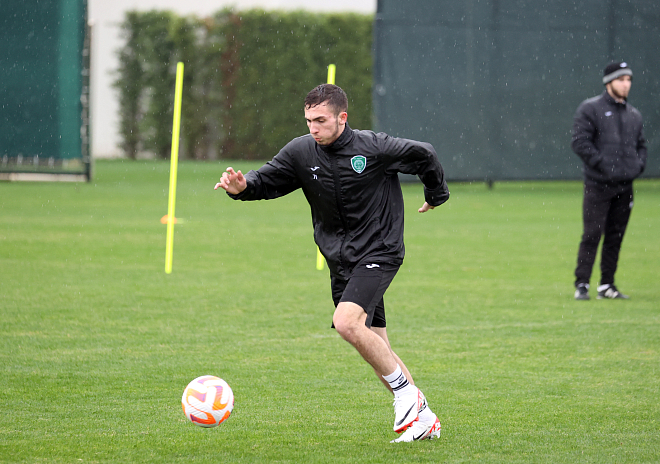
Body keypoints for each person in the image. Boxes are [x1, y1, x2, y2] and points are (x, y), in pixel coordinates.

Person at [214, 84, 449, 442]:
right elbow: (267, 179)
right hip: (341, 262)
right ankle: (424, 418)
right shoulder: (301, 151)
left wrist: (435, 193)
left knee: (346, 323)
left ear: (342, 117)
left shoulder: (373, 147)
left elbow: (424, 154)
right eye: (309, 120)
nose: (314, 128)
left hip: (380, 251)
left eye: (321, 120)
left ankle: (407, 396)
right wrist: (242, 187)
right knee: (376, 347)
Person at [571, 62, 647, 300]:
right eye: (621, 79)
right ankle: (582, 284)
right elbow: (580, 142)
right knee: (592, 234)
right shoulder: (590, 109)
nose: (626, 84)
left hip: (624, 187)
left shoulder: (634, 114)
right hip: (598, 186)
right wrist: (603, 165)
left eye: (629, 80)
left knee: (616, 236)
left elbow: (641, 146)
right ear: (608, 82)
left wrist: (637, 166)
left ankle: (607, 285)